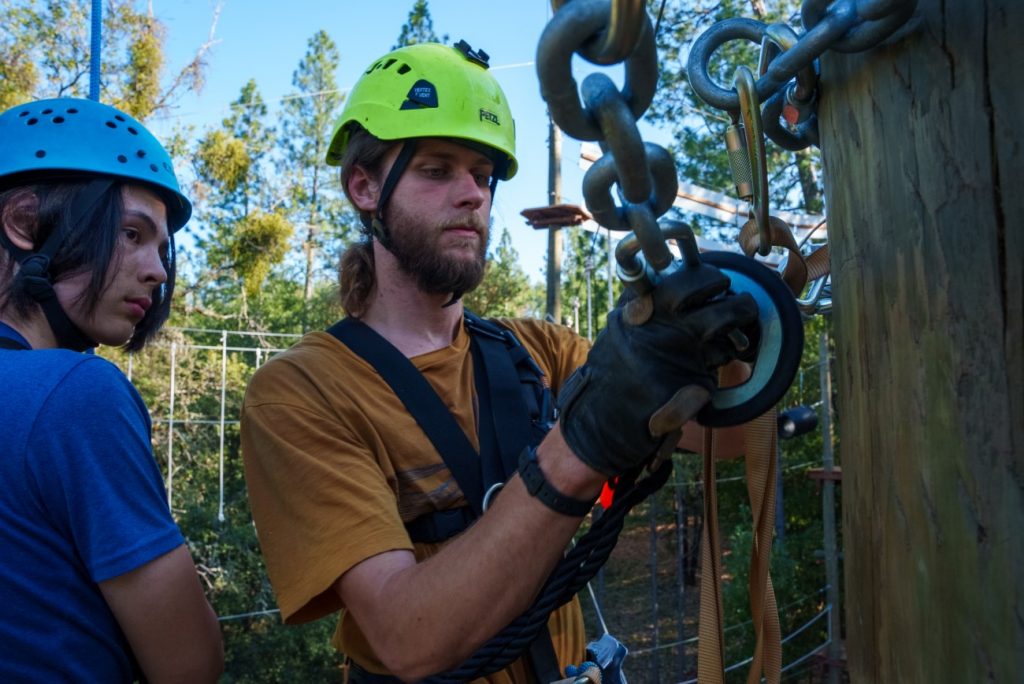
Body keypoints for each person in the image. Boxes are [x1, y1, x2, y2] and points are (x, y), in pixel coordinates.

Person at [241, 40, 756, 683]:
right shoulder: (302, 392)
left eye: (483, 176)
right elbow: (407, 637)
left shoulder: (535, 350)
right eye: (437, 170)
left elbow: (735, 436)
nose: (472, 196)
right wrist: (582, 443)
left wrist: (717, 341)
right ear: (364, 186)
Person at [0, 97, 224, 683]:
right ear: (25, 223)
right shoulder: (76, 395)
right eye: (131, 232)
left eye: (161, 247)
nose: (158, 271)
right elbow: (189, 666)